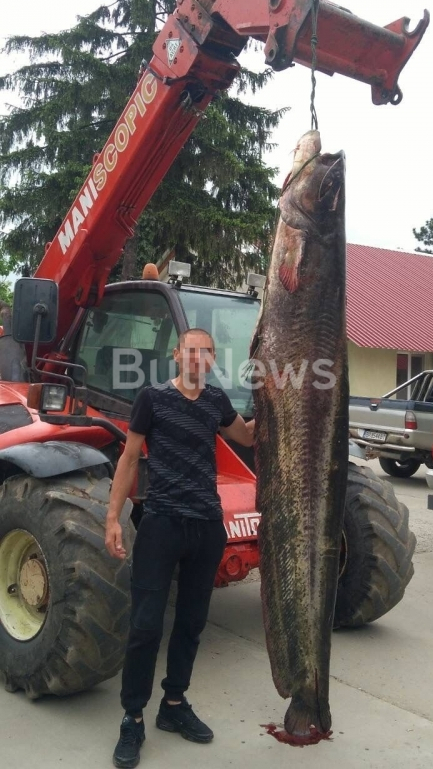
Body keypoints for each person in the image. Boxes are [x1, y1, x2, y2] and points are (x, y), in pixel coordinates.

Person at [105, 327, 255, 769]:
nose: (197, 358)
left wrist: (276, 400)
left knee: (190, 623)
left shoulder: (215, 402)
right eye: (191, 350)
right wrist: (113, 518)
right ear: (177, 356)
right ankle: (132, 717)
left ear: (211, 360)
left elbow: (244, 438)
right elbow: (129, 459)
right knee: (146, 627)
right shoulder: (151, 399)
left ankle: (173, 705)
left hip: (207, 526)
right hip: (162, 523)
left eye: (205, 352)